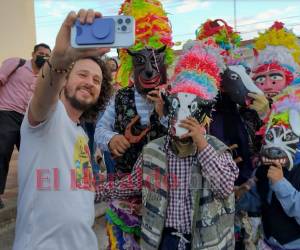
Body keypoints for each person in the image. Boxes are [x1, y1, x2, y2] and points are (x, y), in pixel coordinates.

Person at [96, 41, 239, 250]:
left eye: (191, 110)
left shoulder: (217, 150)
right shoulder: (154, 151)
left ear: (205, 116)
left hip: (204, 241)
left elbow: (225, 187)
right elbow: (131, 184)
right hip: (166, 239)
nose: (182, 118)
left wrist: (201, 144)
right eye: (176, 107)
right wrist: (89, 191)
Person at [13, 10, 112, 250]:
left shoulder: (80, 133)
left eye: (97, 80)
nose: (90, 82)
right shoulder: (48, 116)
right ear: (65, 79)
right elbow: (43, 95)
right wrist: (60, 58)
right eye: (83, 74)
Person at [94, 0, 174, 248]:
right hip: (127, 190)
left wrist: (164, 113)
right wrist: (111, 139)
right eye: (140, 60)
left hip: (169, 192)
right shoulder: (120, 97)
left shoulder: (179, 97)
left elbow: (186, 136)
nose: (149, 70)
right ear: (129, 62)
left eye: (155, 58)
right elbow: (99, 130)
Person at [238, 86, 300, 250]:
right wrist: (240, 195)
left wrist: (281, 184)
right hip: (268, 242)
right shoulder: (265, 167)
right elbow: (258, 200)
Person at [0, 43, 51, 208]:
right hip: (6, 112)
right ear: (33, 54)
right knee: (2, 152)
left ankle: (35, 191)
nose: (43, 56)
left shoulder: (45, 75)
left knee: (32, 155)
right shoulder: (16, 63)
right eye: (40, 53)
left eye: (47, 55)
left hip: (27, 119)